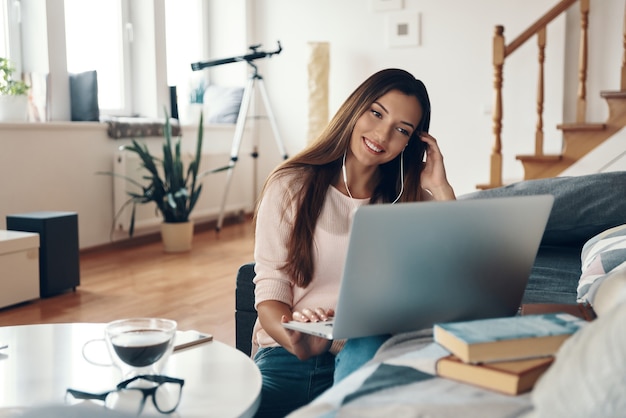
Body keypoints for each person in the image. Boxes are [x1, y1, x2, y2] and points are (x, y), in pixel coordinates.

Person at [251, 68, 456, 417]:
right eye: (376, 113)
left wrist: (441, 190)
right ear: (355, 108)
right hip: (290, 352)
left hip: (372, 351)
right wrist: (297, 340)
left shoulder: (411, 202)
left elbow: (455, 279)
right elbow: (270, 295)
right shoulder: (289, 186)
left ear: (412, 143)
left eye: (401, 130)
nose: (382, 134)